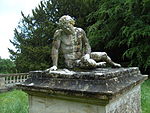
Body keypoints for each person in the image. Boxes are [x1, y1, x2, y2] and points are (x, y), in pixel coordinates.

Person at [49, 15, 121, 71]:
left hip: (83, 56)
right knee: (90, 63)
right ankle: (97, 65)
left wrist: (87, 55)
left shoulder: (80, 31)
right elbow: (55, 49)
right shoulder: (59, 34)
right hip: (71, 62)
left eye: (68, 27)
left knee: (103, 54)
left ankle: (113, 64)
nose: (67, 29)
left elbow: (87, 45)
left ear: (72, 23)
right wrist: (55, 65)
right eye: (64, 28)